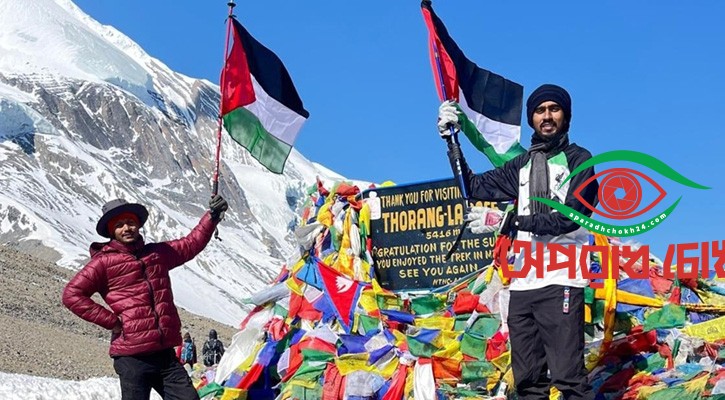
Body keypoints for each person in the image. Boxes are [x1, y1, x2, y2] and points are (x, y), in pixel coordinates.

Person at [437, 84, 598, 400]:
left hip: (561, 278)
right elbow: (472, 187)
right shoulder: (522, 165)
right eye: (540, 110)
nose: (547, 116)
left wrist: (507, 221)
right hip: (523, 285)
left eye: (554, 109)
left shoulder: (580, 159)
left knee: (569, 379)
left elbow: (568, 218)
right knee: (528, 383)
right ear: (531, 118)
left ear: (566, 116)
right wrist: (451, 142)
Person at [62, 195, 229, 400]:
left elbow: (190, 244)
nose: (127, 228)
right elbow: (72, 295)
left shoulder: (156, 254)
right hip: (132, 357)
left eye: (131, 222)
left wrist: (211, 217)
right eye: (120, 225)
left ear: (138, 225)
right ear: (111, 231)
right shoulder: (103, 263)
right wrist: (112, 322)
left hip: (164, 353)